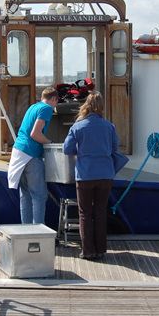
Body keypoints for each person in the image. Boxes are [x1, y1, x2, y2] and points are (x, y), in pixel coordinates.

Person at [62, 91, 123, 260]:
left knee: (85, 213)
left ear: (86, 106)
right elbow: (115, 148)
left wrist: (81, 151)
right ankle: (101, 249)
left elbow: (67, 149)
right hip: (105, 174)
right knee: (100, 211)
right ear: (101, 107)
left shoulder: (78, 126)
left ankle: (88, 251)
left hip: (85, 174)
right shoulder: (109, 126)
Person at [7, 87, 59, 224]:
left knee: (25, 195)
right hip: (31, 154)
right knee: (39, 195)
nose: (55, 106)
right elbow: (35, 134)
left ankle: (27, 231)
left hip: (18, 152)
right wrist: (50, 142)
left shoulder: (32, 107)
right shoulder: (46, 109)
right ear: (53, 99)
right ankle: (38, 231)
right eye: (56, 102)